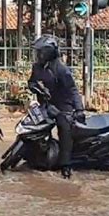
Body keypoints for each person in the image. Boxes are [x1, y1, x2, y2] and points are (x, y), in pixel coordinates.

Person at [28, 35, 85, 179]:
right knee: (31, 127)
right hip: (45, 105)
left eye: (40, 52)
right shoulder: (37, 67)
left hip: (62, 107)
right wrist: (36, 89)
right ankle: (34, 157)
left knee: (64, 130)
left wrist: (79, 109)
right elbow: (31, 83)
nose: (38, 55)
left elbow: (73, 90)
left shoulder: (61, 70)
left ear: (48, 52)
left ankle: (65, 166)